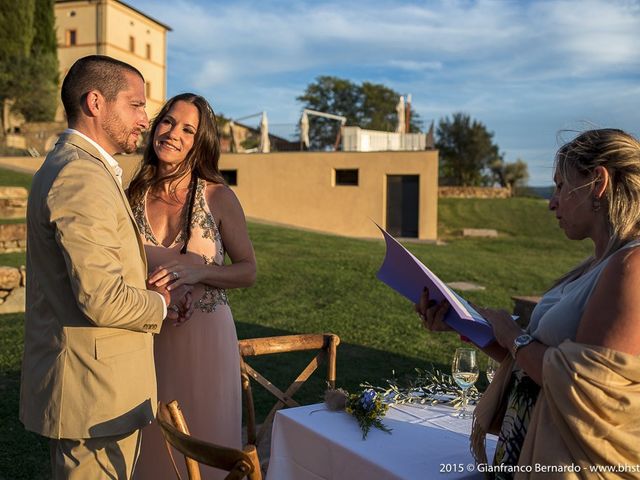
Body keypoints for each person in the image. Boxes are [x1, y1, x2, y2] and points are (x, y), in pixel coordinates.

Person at [417, 128, 640, 475]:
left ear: (597, 182)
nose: (552, 201)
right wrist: (465, 323)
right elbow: (537, 368)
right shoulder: (594, 267)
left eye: (561, 186)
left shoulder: (632, 267)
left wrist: (512, 335)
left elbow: (585, 390)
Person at [20, 55, 191, 479]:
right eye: (135, 105)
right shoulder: (81, 176)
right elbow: (101, 298)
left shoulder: (84, 168)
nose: (145, 119)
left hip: (100, 387)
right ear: (96, 103)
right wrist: (160, 303)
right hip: (94, 392)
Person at [127, 93, 256, 479]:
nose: (173, 133)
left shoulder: (217, 196)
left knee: (206, 441)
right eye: (167, 121)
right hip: (147, 338)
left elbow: (248, 270)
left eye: (188, 129)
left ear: (200, 142)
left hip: (207, 341)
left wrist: (199, 272)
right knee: (151, 444)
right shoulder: (132, 197)